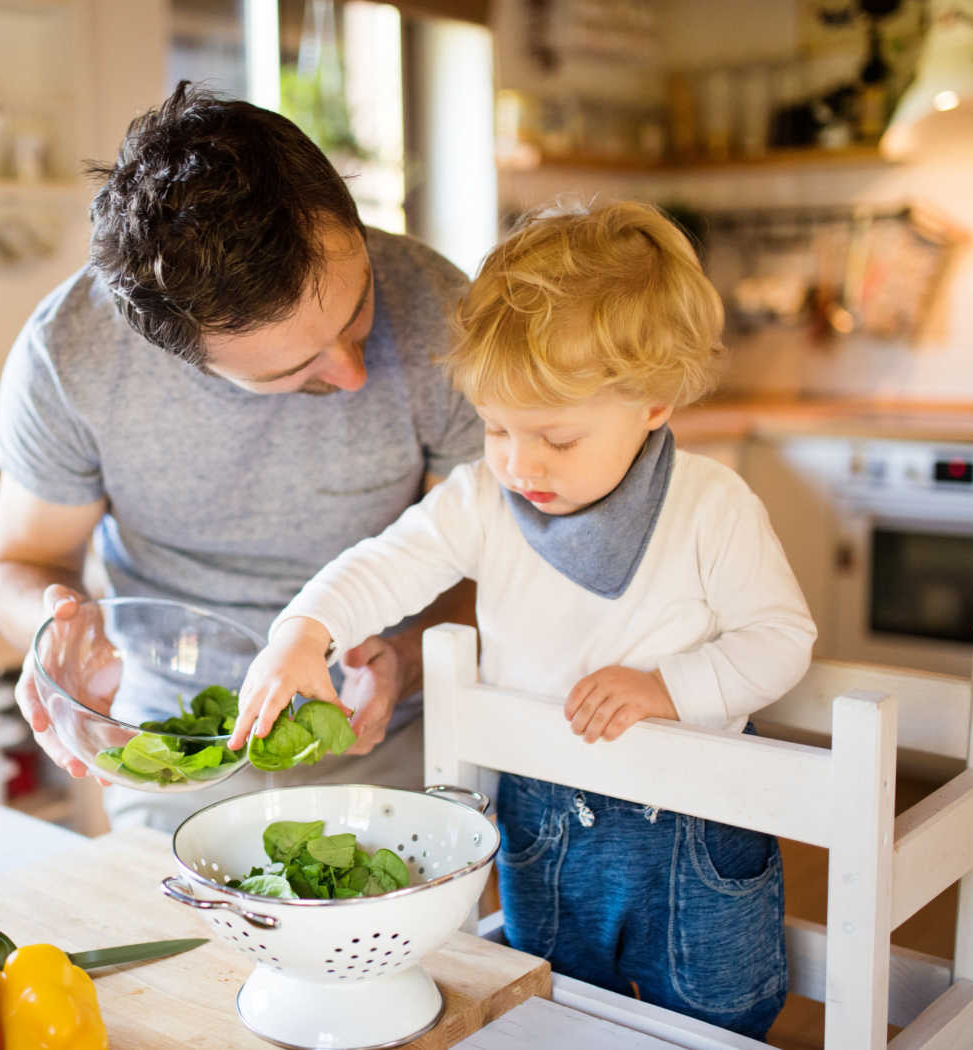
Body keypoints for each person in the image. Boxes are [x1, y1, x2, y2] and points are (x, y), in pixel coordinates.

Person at [230, 200, 817, 1038]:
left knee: (717, 1021)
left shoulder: (712, 507)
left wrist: (668, 687)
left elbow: (782, 640)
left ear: (652, 402)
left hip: (693, 831)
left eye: (555, 437)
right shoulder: (483, 498)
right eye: (496, 426)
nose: (519, 461)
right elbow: (386, 563)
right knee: (555, 1010)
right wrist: (306, 630)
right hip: (544, 824)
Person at [0, 81, 482, 832]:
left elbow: (493, 553)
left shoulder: (443, 311)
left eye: (358, 310)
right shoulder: (71, 353)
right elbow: (20, 560)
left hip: (400, 740)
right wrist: (57, 635)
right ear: (178, 355)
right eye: (291, 372)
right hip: (175, 750)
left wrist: (407, 659)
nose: (353, 375)